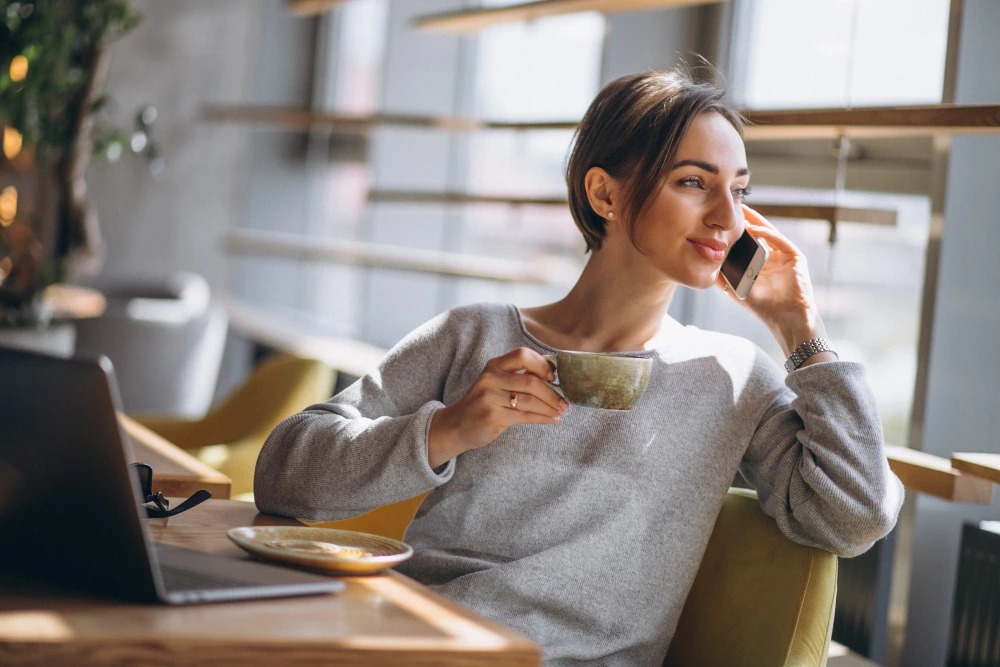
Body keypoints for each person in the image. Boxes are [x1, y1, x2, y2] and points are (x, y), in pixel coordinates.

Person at [254, 69, 905, 667]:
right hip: (404, 640)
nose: (727, 219)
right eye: (693, 182)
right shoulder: (475, 333)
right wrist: (445, 430)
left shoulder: (734, 378)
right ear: (605, 194)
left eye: (738, 191)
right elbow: (284, 472)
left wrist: (801, 330)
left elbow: (857, 515)